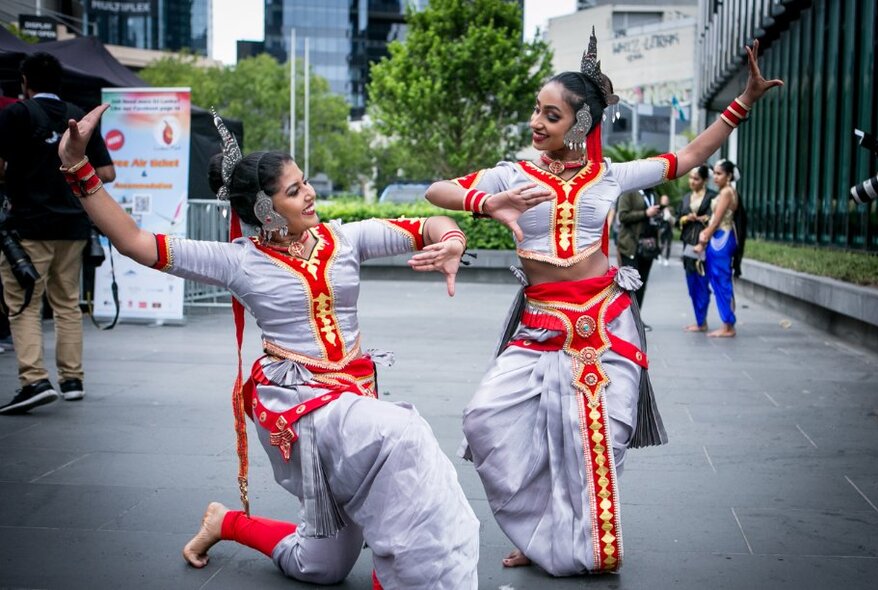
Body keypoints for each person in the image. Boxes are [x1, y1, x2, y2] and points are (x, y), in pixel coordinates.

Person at [56, 106, 480, 588]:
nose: (310, 193)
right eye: (294, 189)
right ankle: (415, 577)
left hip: (356, 403)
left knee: (321, 566)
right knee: (404, 435)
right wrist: (78, 167)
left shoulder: (343, 239)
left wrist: (451, 239)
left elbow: (428, 226)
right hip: (303, 408)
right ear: (264, 207)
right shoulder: (239, 262)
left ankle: (224, 522)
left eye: (305, 182)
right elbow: (135, 242)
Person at [425, 31, 781, 576]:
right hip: (540, 326)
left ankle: (578, 539)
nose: (537, 124)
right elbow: (436, 191)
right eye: (536, 112)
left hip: (604, 324)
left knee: (594, 440)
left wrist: (744, 102)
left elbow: (687, 157)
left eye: (551, 115)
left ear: (582, 124)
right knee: (486, 422)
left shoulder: (611, 176)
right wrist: (486, 200)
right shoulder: (513, 174)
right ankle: (539, 531)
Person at [0, 53, 115, 415]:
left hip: (28, 226)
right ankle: (72, 380)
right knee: (67, 304)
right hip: (73, 225)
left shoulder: (16, 115)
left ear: (24, 81)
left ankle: (34, 380)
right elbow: (107, 172)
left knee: (24, 304)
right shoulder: (78, 117)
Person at [694, 159, 739, 337]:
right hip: (719, 237)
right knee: (719, 280)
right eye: (715, 174)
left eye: (719, 174)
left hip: (722, 237)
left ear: (729, 176)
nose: (715, 177)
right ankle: (727, 323)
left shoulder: (727, 192)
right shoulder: (725, 191)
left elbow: (717, 219)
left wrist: (704, 236)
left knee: (721, 280)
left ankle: (728, 325)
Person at [677, 165, 716, 332]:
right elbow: (679, 219)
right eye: (690, 177)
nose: (692, 181)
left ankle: (702, 322)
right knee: (691, 284)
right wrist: (686, 218)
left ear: (705, 180)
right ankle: (699, 320)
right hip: (688, 246)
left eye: (696, 178)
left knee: (702, 283)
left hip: (705, 245)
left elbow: (716, 218)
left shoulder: (712, 197)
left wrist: (702, 218)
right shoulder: (686, 198)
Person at [617, 186, 661, 307]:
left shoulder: (653, 194)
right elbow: (622, 216)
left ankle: (637, 321)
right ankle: (626, 321)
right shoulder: (629, 192)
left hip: (648, 247)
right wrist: (645, 213)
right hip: (631, 246)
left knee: (642, 285)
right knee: (630, 287)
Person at [658, 194, 674, 265]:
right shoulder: (658, 209)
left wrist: (669, 216)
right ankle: (660, 255)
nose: (665, 201)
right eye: (663, 200)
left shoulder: (671, 209)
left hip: (669, 229)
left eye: (666, 200)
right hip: (661, 229)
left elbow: (673, 221)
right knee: (661, 244)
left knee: (668, 245)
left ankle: (667, 259)